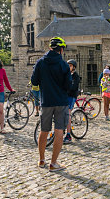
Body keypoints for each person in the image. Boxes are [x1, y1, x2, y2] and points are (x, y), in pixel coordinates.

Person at [31, 37, 71, 172]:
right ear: (61, 50)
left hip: (46, 101)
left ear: (50, 48)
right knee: (59, 130)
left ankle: (41, 160)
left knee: (44, 130)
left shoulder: (40, 62)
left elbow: (34, 82)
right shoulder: (64, 65)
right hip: (61, 102)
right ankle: (53, 163)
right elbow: (68, 86)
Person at [64, 59, 80, 144]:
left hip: (71, 96)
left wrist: (66, 87)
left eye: (70, 66)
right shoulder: (66, 75)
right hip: (65, 96)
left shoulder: (75, 76)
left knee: (68, 114)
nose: (68, 67)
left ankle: (68, 135)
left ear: (73, 67)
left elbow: (73, 87)